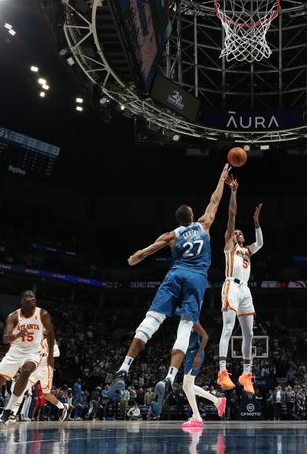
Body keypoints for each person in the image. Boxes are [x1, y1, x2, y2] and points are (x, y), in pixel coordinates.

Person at [111, 163, 231, 416]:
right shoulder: (204, 224)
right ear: (192, 215)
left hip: (175, 275)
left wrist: (134, 258)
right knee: (185, 328)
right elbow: (215, 200)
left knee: (151, 321)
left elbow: (146, 251)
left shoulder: (171, 235)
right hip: (196, 278)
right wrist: (221, 176)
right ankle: (169, 377)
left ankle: (124, 368)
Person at [0, 290, 55, 428]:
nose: (32, 299)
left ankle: (8, 410)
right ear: (22, 300)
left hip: (33, 352)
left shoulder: (42, 314)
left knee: (26, 370)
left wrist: (51, 357)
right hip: (14, 353)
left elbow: (51, 335)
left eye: (33, 297)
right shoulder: (14, 316)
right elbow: (5, 339)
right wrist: (17, 335)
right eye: (28, 297)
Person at [217, 176, 264, 394]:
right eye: (234, 232)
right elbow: (232, 215)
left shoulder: (247, 250)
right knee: (227, 327)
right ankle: (223, 372)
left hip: (245, 289)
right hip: (231, 286)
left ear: (243, 237)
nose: (236, 233)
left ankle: (246, 374)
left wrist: (256, 221)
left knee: (249, 334)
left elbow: (261, 243)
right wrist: (233, 192)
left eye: (239, 233)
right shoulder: (229, 246)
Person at [0, 336, 68, 422]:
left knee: (46, 394)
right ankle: (13, 413)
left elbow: (57, 353)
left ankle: (62, 406)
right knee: (21, 389)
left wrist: (44, 353)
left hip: (45, 369)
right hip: (35, 369)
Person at [182, 322, 226, 428]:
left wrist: (197, 354)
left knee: (187, 386)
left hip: (195, 354)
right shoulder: (184, 320)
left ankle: (197, 417)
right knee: (188, 386)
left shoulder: (193, 320)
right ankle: (218, 401)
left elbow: (205, 337)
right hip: (190, 354)